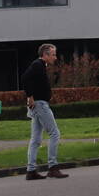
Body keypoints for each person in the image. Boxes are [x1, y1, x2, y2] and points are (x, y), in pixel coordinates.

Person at [20, 43, 68, 180]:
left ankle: (31, 170)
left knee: (36, 139)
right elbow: (24, 78)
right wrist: (30, 96)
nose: (55, 57)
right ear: (45, 55)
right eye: (53, 54)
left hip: (38, 104)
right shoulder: (38, 65)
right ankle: (53, 167)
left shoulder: (40, 66)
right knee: (54, 133)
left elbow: (29, 80)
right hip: (40, 105)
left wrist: (31, 97)